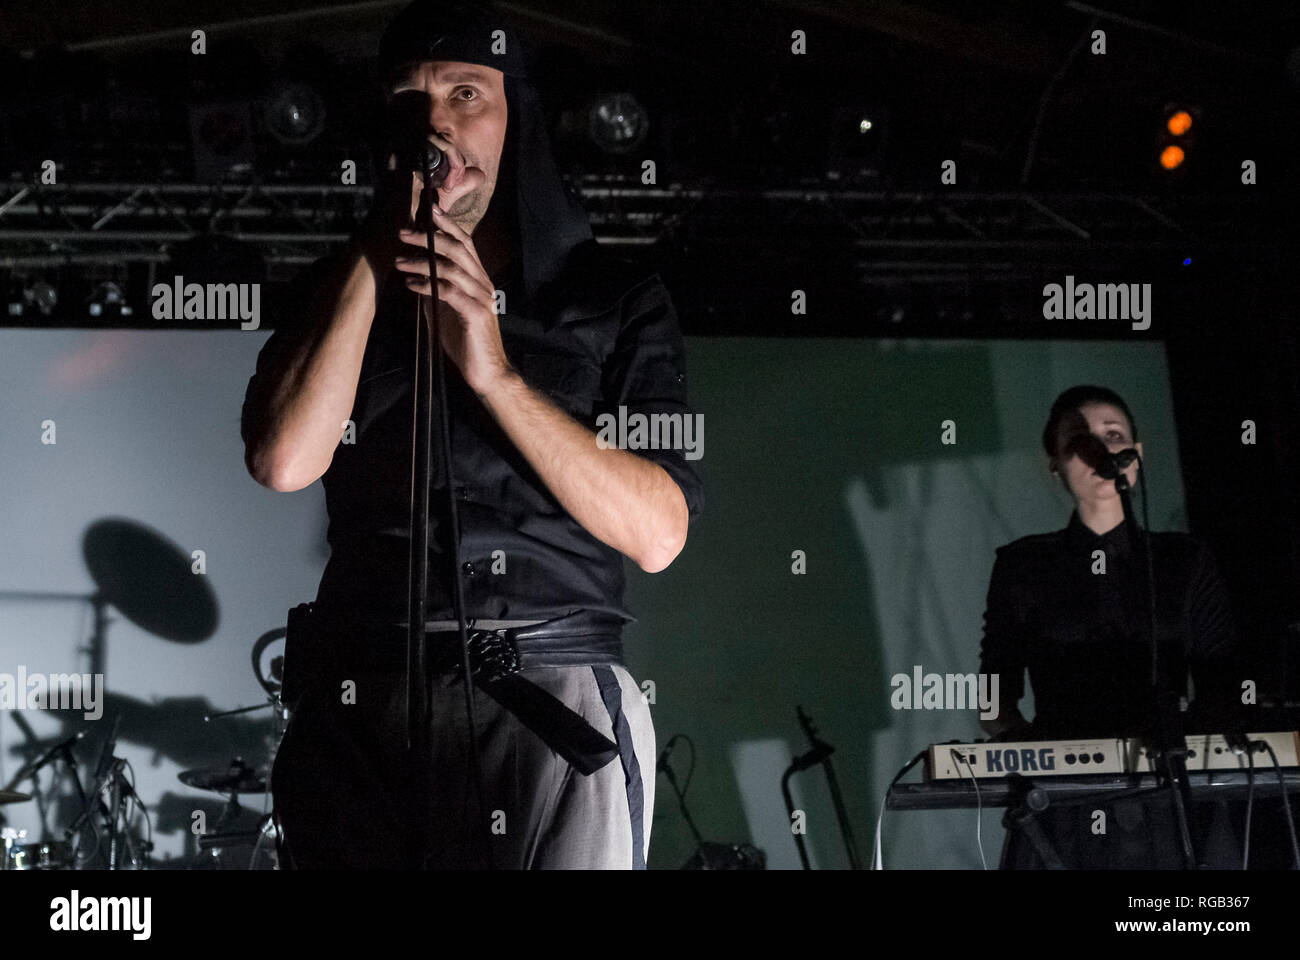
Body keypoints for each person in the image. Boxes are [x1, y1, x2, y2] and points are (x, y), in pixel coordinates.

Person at [240, 0, 703, 869]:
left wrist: (493, 371)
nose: (437, 124)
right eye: (411, 102)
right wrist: (376, 258)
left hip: (547, 690)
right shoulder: (334, 290)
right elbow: (282, 459)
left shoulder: (611, 297)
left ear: (514, 119)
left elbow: (659, 531)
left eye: (464, 95)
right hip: (364, 693)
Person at [978, 385, 1241, 868]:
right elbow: (995, 697)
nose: (1100, 448)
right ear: (1054, 464)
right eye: (1080, 439)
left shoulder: (1184, 560)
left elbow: (1220, 683)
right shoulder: (1023, 565)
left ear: (1135, 457)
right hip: (1063, 807)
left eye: (1113, 435)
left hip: (1174, 798)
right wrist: (1037, 758)